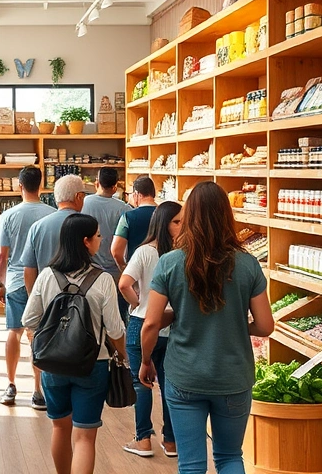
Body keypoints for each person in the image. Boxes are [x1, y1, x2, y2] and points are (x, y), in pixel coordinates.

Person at [139, 182, 274, 474]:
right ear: (227, 216)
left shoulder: (170, 263)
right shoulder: (248, 264)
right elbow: (265, 326)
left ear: (189, 217)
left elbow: (150, 322)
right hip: (233, 377)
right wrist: (235, 324)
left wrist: (146, 360)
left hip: (184, 375)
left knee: (192, 464)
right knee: (229, 457)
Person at [21, 213, 127, 474]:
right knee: (84, 437)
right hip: (94, 363)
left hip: (53, 364)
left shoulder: (47, 276)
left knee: (59, 427)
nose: (102, 240)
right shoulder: (102, 280)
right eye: (99, 236)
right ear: (86, 241)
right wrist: (123, 355)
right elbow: (114, 329)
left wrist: (42, 345)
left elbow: (29, 319)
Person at [117, 201, 182, 459]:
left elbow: (124, 284)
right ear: (164, 223)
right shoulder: (182, 254)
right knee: (169, 385)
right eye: (177, 222)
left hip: (142, 325)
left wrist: (139, 304)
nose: (182, 226)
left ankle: (143, 440)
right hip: (172, 326)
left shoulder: (145, 252)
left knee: (141, 384)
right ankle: (171, 441)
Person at [0, 166, 55, 407]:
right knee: (40, 334)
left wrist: (1, 284)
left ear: (20, 185)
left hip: (17, 281)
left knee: (14, 331)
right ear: (41, 185)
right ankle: (38, 391)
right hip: (46, 282)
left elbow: (2, 255)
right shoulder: (52, 213)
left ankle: (10, 386)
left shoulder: (9, 216)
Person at [20, 173, 86, 294]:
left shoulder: (37, 227)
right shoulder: (86, 225)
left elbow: (29, 269)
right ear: (79, 196)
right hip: (79, 297)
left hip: (47, 295)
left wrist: (33, 298)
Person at [79, 167, 132, 319]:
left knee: (91, 316)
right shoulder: (124, 209)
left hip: (88, 270)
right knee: (117, 316)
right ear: (115, 187)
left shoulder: (83, 204)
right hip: (116, 270)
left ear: (97, 183)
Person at [111, 175, 157, 272]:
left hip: (136, 270)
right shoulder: (167, 215)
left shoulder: (128, 217)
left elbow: (116, 251)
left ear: (137, 194)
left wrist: (124, 267)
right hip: (161, 269)